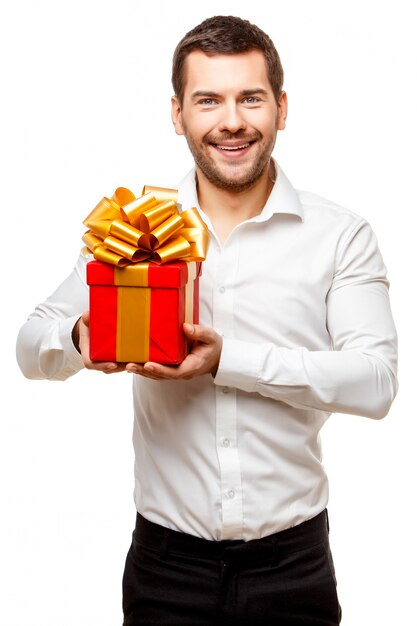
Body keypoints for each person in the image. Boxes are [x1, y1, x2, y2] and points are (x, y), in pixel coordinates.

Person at [16, 15, 398, 626]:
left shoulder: (340, 235)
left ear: (281, 106)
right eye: (208, 100)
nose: (232, 121)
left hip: (293, 565)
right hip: (165, 567)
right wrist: (84, 338)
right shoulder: (131, 230)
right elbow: (31, 343)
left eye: (250, 98)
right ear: (177, 114)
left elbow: (375, 382)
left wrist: (229, 361)